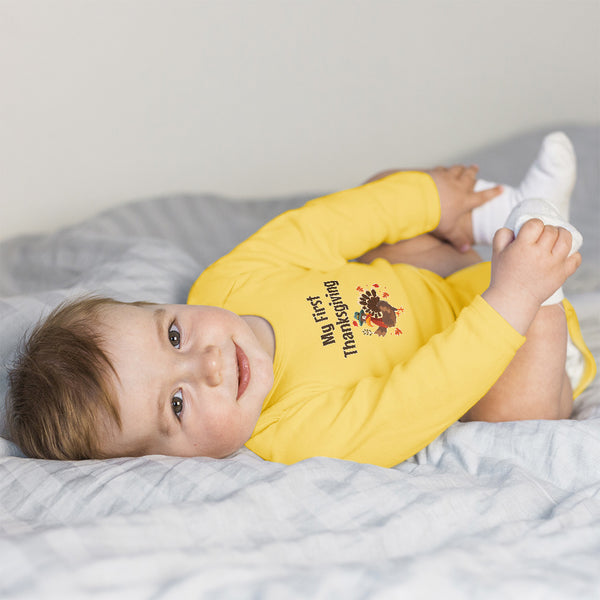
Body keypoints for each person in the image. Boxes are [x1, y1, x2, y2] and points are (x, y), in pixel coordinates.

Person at [6, 132, 596, 466]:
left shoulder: (226, 284)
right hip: (503, 356)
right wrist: (512, 298)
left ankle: (511, 212)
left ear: (159, 309)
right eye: (178, 406)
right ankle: (543, 260)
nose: (208, 364)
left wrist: (425, 198)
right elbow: (423, 394)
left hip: (442, 282)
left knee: (382, 194)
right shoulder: (291, 433)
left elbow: (323, 227)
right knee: (511, 419)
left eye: (175, 336)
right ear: (168, 460)